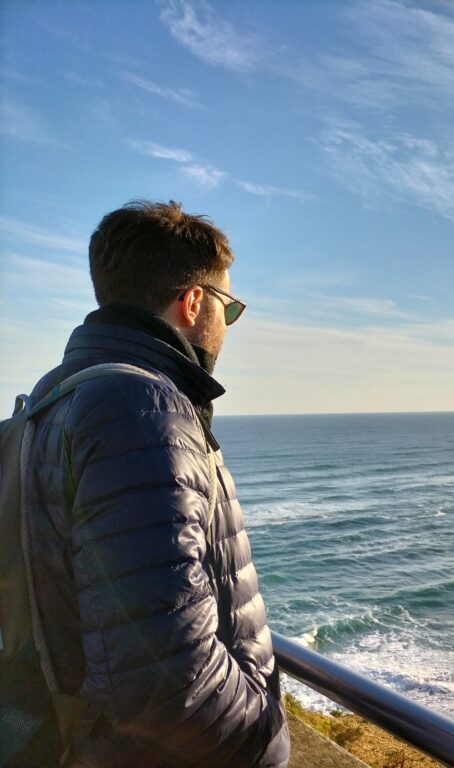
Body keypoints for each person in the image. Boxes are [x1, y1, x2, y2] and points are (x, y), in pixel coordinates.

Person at [18, 200, 289, 766]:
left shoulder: (59, 393)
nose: (227, 327)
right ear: (194, 302)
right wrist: (265, 736)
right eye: (229, 309)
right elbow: (165, 680)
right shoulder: (141, 409)